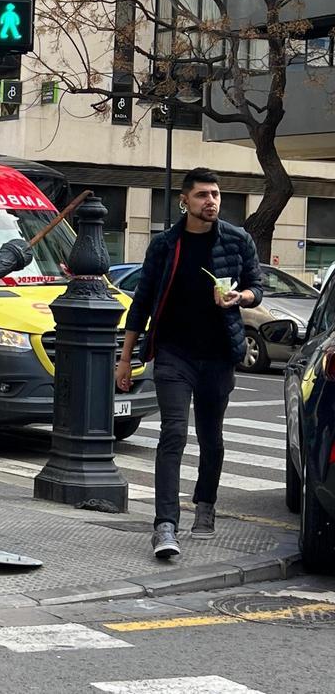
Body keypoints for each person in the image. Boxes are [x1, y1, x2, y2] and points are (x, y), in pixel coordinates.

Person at [117, 167, 263, 559]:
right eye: (202, 195)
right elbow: (142, 301)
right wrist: (125, 359)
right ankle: (165, 524)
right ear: (184, 200)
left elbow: (257, 286)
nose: (211, 201)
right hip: (173, 354)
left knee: (211, 436)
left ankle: (205, 504)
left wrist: (242, 299)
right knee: (174, 434)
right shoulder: (165, 244)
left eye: (215, 194)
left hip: (218, 354)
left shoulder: (237, 240)